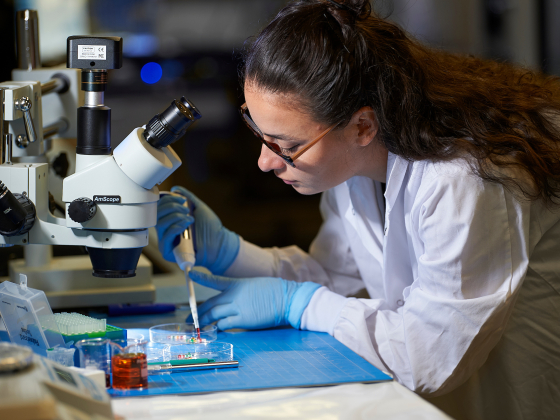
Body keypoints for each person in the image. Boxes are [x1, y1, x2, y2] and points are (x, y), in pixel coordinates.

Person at [156, 1, 560, 419]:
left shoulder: (464, 178)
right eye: (259, 132)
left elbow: (428, 353)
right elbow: (338, 277)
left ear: (363, 126)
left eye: (288, 146)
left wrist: (300, 304)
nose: (266, 161)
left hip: (521, 389)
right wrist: (232, 253)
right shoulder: (355, 162)